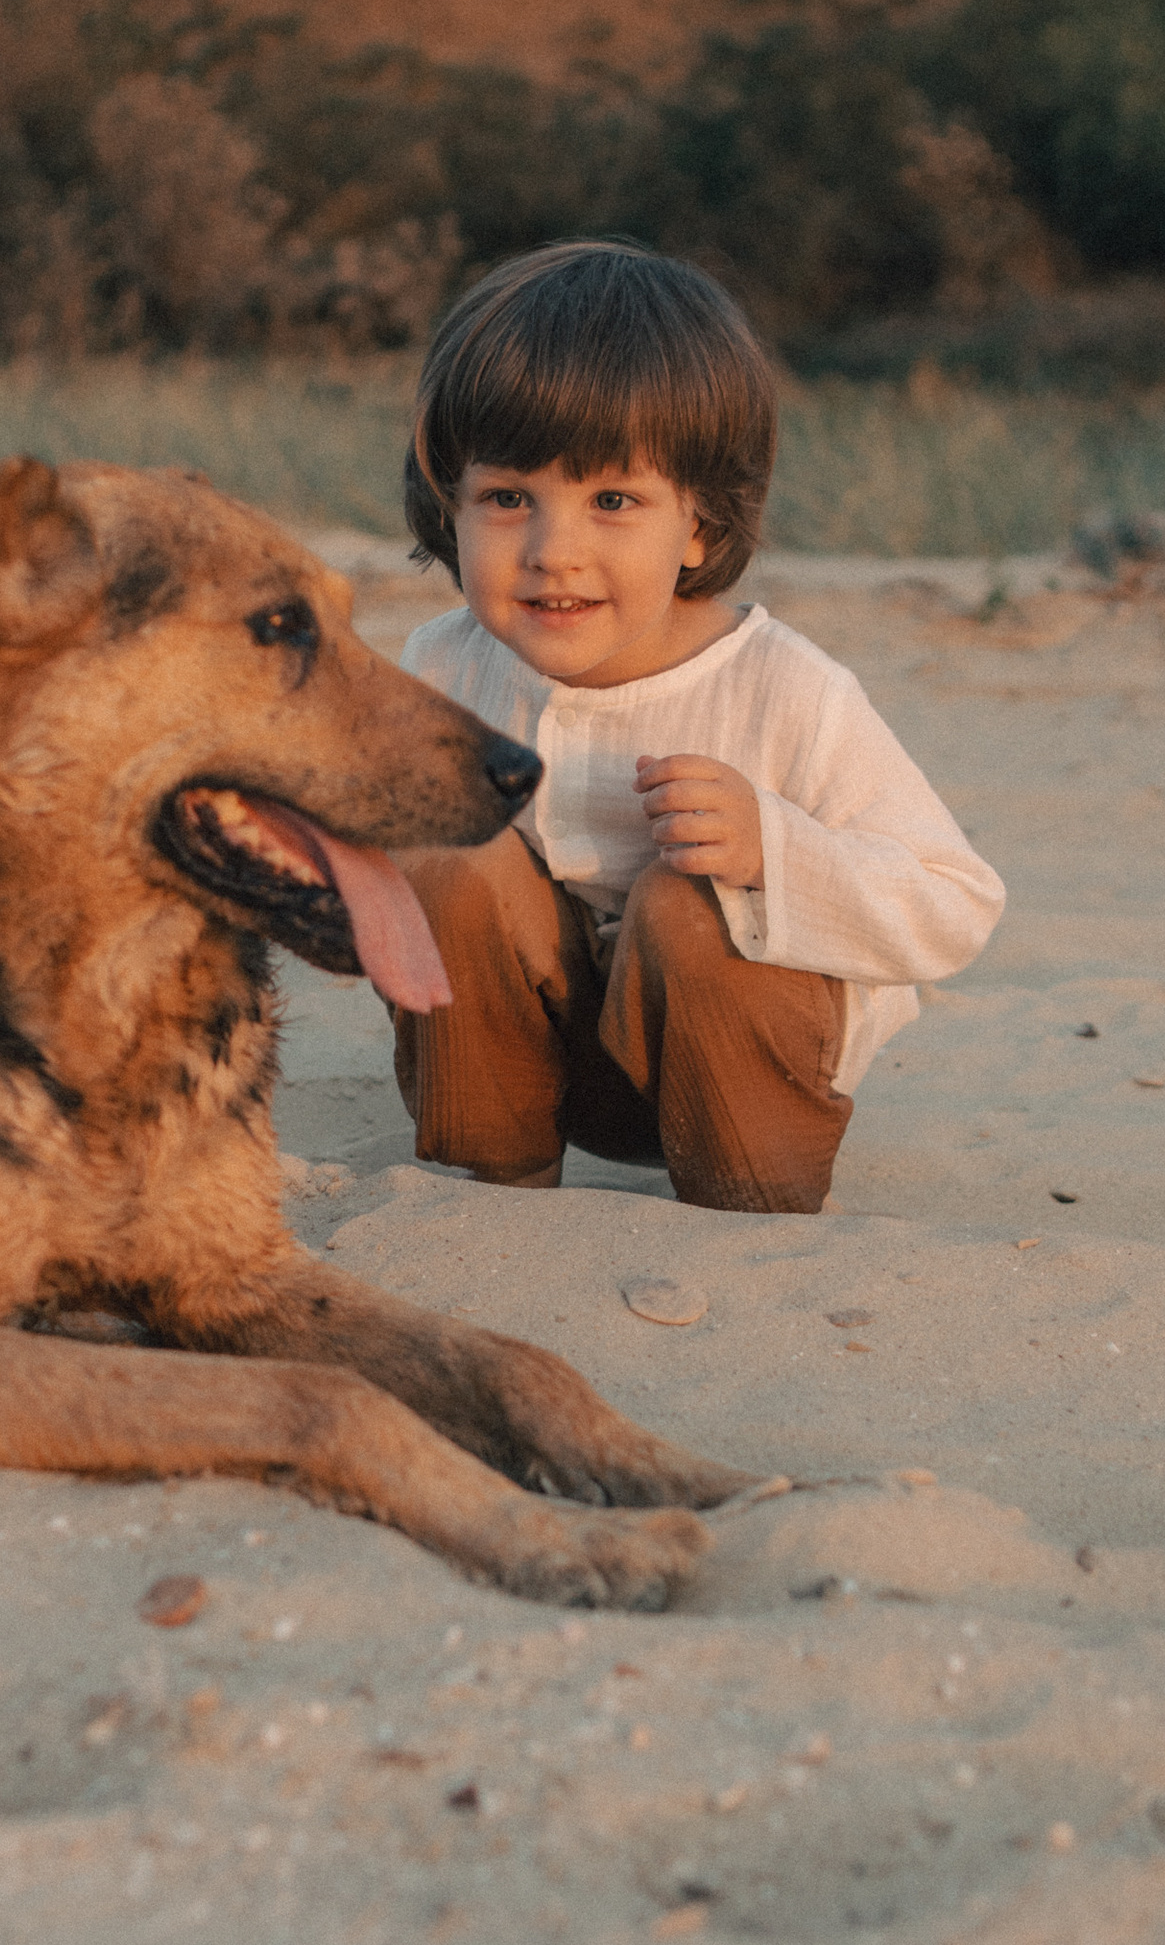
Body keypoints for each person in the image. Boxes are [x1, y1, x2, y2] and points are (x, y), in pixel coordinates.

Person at [391, 238, 1003, 1213]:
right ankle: (492, 1186)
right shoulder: (441, 665)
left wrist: (777, 849)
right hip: (548, 1062)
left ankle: (745, 1208)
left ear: (700, 527)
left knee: (692, 904)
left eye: (612, 501)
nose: (554, 552)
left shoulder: (785, 692)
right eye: (508, 498)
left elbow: (956, 906)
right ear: (448, 504)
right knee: (447, 856)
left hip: (741, 1073)